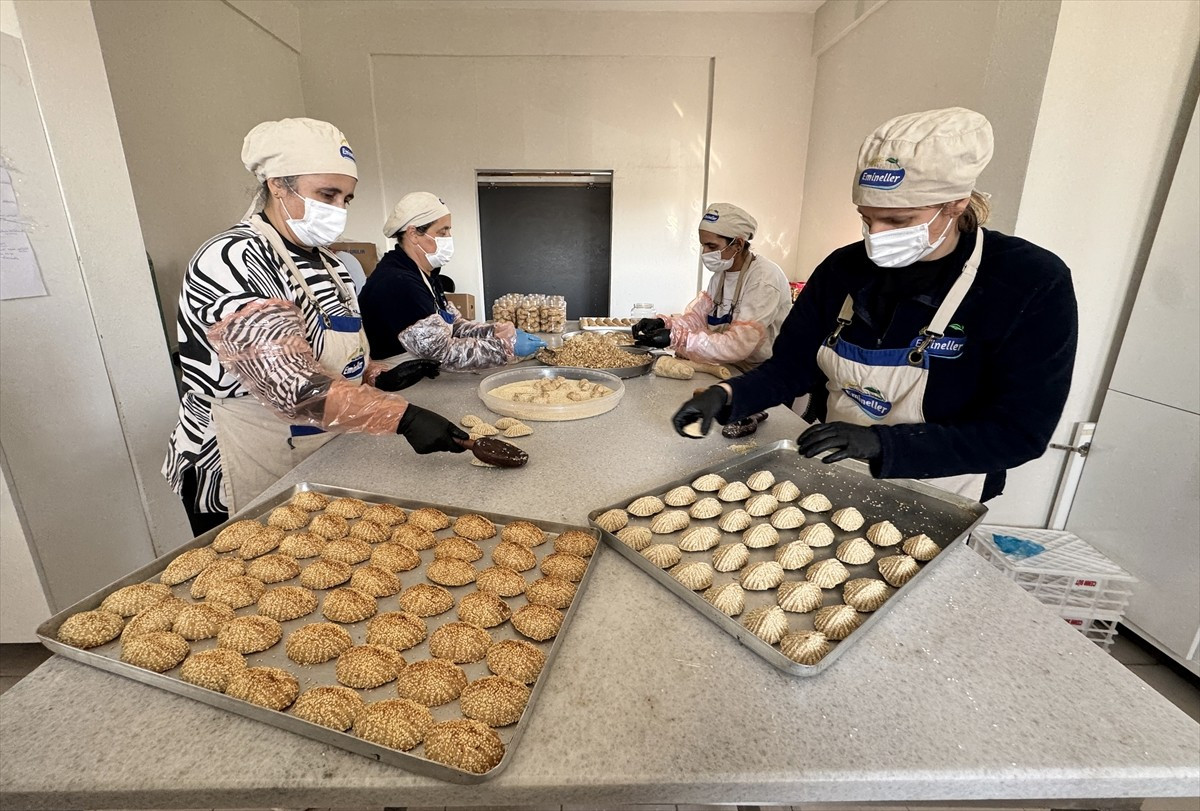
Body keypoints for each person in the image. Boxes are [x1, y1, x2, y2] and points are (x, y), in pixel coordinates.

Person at [671, 108, 1078, 502]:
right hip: (835, 468)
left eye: (898, 221)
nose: (876, 237)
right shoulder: (843, 269)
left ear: (954, 204)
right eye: (867, 219)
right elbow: (793, 366)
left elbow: (1018, 432)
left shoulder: (1029, 282)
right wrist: (728, 395)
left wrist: (881, 444)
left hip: (942, 487)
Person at [163, 118, 463, 535]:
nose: (338, 208)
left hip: (318, 446)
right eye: (327, 194)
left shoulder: (329, 263)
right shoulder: (233, 257)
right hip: (244, 457)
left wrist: (377, 375)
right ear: (277, 185)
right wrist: (404, 418)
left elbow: (330, 352)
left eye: (346, 197)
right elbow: (290, 384)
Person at [633, 202, 792, 437]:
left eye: (711, 245)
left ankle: (755, 411)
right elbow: (698, 317)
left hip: (763, 373)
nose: (706, 253)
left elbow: (738, 345)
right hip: (731, 366)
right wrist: (666, 324)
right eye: (703, 246)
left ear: (737, 243)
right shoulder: (721, 274)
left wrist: (676, 338)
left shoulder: (763, 279)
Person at [359, 192, 546, 370]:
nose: (449, 238)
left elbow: (453, 325)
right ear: (414, 234)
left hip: (421, 371)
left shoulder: (426, 275)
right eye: (442, 232)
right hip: (399, 378)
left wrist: (494, 331)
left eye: (449, 230)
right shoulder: (398, 281)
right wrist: (505, 348)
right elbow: (441, 352)